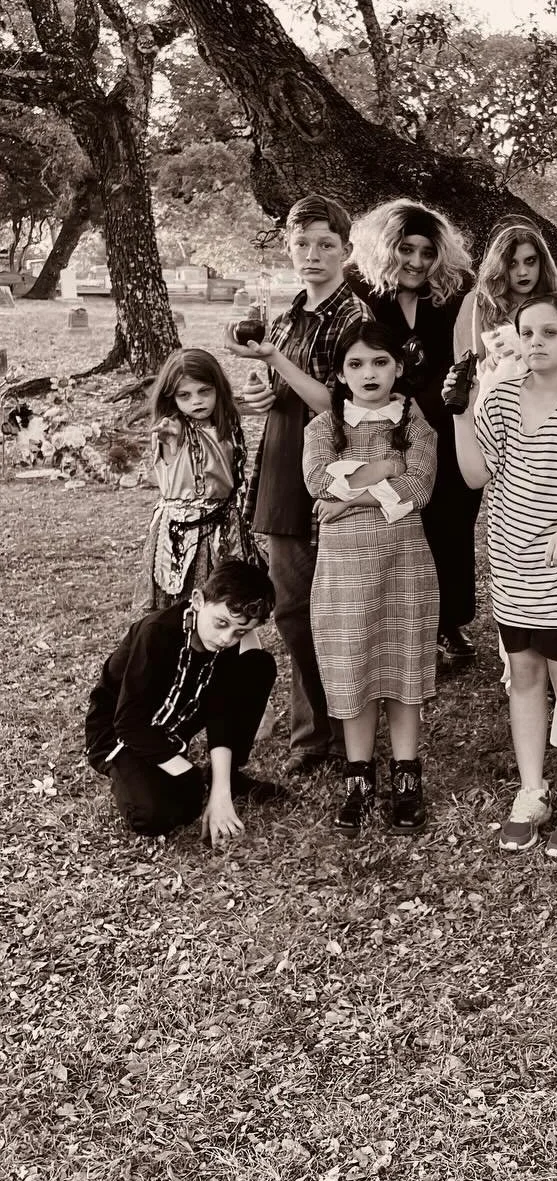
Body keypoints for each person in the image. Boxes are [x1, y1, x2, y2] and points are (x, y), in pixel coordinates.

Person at [453, 291, 557, 859]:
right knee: (522, 677)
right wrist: (461, 411)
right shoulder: (500, 400)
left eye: (550, 333)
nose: (536, 344)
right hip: (512, 565)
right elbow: (476, 475)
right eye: (527, 333)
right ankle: (532, 792)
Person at [228, 195, 368, 777]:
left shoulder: (353, 317)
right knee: (290, 611)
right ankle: (312, 734)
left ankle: (339, 735)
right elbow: (286, 393)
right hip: (283, 468)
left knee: (329, 611)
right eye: (301, 244)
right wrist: (261, 392)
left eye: (325, 245)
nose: (311, 255)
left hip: (332, 475)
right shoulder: (288, 314)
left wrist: (278, 363)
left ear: (347, 251)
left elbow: (343, 402)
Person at [303, 319, 440, 835]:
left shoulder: (415, 422)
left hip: (404, 563)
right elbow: (319, 484)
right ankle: (358, 779)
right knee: (354, 666)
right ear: (340, 372)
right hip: (343, 570)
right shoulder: (324, 426)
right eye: (356, 364)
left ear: (398, 368)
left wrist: (353, 494)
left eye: (380, 362)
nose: (369, 373)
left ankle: (407, 779)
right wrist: (383, 470)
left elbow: (420, 487)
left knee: (402, 667)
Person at [348, 199, 480, 670]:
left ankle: (448, 624)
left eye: (428, 252)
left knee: (450, 521)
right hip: (384, 426)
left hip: (445, 426)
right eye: (407, 249)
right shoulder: (359, 290)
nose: (418, 262)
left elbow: (468, 356)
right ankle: (397, 624)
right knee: (397, 521)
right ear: (388, 249)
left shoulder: (454, 293)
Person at [85, 559, 280, 843]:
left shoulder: (225, 641)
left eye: (239, 631)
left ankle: (224, 776)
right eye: (222, 623)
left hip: (174, 726)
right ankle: (147, 776)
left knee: (257, 665)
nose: (227, 638)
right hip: (122, 734)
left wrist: (220, 790)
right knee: (154, 814)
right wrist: (187, 775)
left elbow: (221, 710)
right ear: (199, 600)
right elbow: (128, 723)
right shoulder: (157, 633)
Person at [132, 349, 257, 617]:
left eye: (204, 392)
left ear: (218, 390)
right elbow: (170, 439)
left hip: (223, 527)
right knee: (184, 598)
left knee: (226, 600)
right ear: (171, 398)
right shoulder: (173, 429)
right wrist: (170, 438)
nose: (197, 402)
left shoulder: (227, 426)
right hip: (184, 531)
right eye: (184, 395)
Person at [459, 217, 557, 377]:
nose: (522, 272)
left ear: (542, 262)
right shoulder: (485, 303)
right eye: (512, 264)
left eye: (530, 261)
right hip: (502, 395)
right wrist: (495, 359)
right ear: (500, 266)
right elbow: (475, 369)